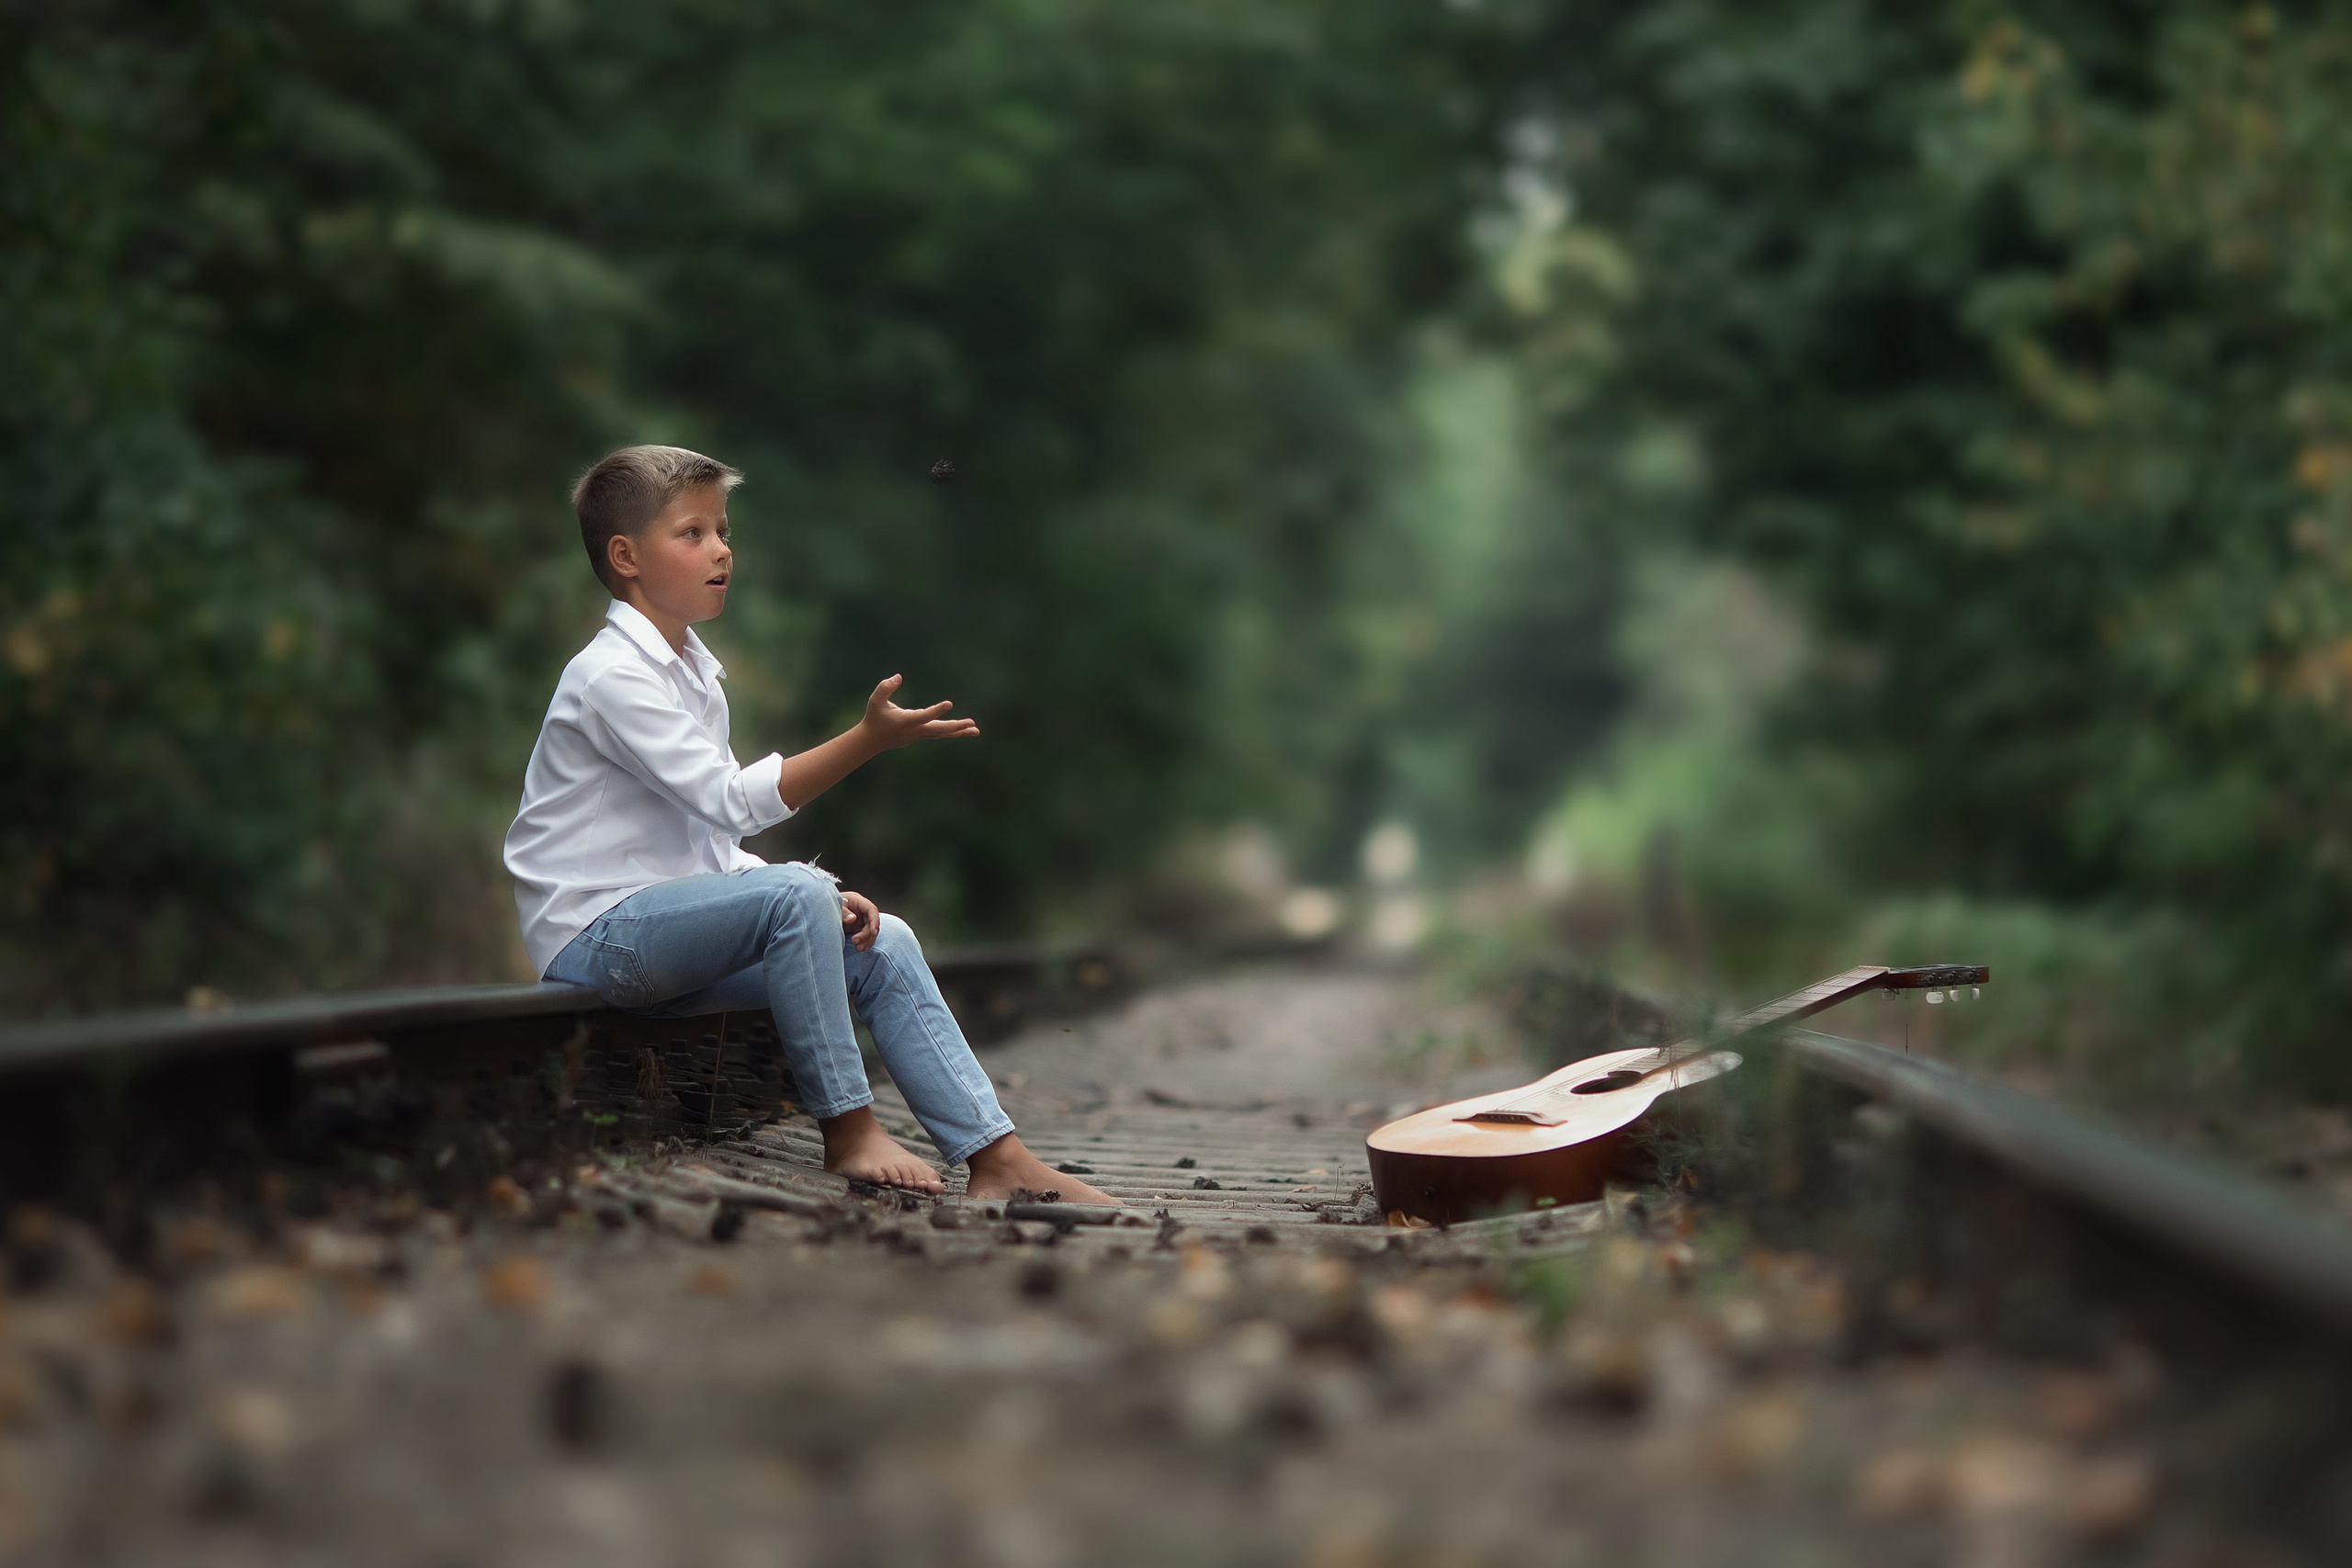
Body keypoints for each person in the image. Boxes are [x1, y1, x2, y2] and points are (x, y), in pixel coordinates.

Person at [503, 445, 1114, 1203]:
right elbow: (731, 801)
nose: (722, 549)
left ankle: (997, 1156)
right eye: (692, 534)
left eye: (723, 531)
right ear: (625, 556)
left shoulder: (693, 672)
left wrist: (823, 892)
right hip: (595, 938)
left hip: (666, 935)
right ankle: (850, 1130)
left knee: (882, 938)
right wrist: (868, 740)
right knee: (797, 895)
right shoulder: (609, 676)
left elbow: (710, 845)